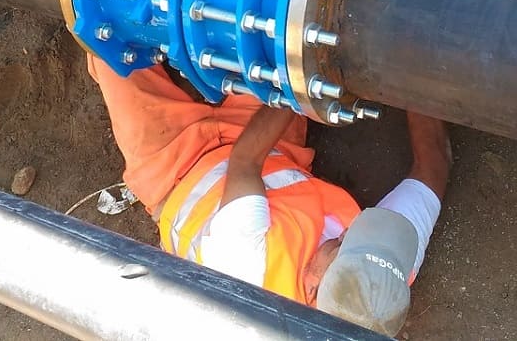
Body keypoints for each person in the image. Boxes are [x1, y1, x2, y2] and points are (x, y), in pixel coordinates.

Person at [87, 55, 451, 335]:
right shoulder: (384, 275)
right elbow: (434, 165)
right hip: (275, 153)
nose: (350, 233)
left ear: (312, 288)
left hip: (174, 165)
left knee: (108, 48)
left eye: (342, 245)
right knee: (268, 26)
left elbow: (245, 162)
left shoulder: (251, 279)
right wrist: (413, 68)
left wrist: (301, 81)